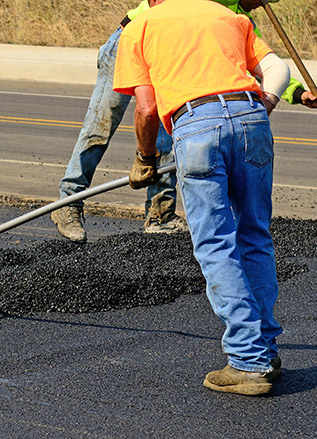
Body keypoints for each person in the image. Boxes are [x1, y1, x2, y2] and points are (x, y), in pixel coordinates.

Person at [113, 0, 295, 395]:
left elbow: (146, 108)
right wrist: (260, 107)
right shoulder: (225, 14)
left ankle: (248, 361)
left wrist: (145, 158)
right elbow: (278, 70)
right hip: (251, 116)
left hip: (196, 124)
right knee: (255, 236)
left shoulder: (139, 27)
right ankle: (266, 349)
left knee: (215, 243)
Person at [51, 0, 316, 243]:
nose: (260, 5)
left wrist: (297, 92)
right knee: (101, 125)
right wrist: (143, 156)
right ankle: (69, 202)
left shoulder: (237, 16)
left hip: (170, 55)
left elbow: (256, 61)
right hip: (135, 40)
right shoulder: (218, 5)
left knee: (172, 130)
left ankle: (159, 215)